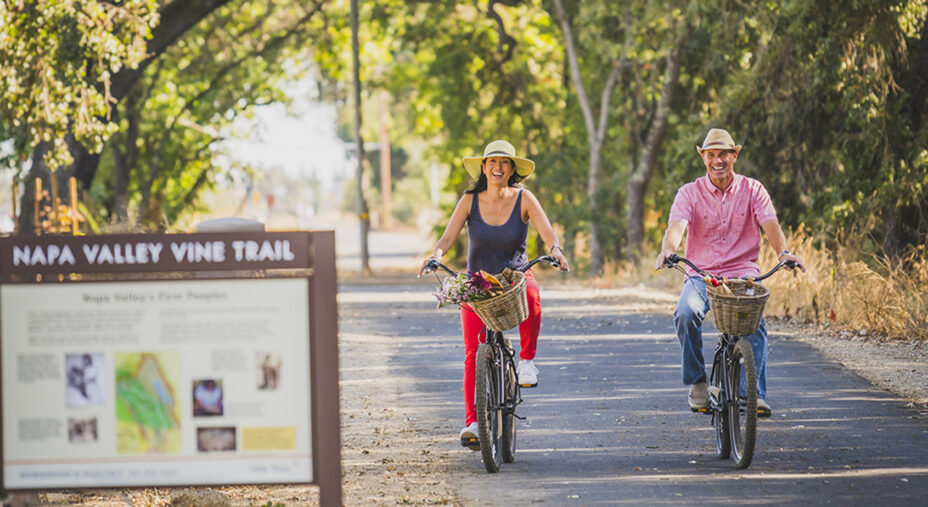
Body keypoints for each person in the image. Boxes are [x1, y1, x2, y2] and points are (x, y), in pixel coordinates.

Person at [418, 139, 569, 446]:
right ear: (483, 167)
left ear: (512, 169)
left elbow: (547, 231)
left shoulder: (524, 199)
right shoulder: (469, 201)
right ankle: (473, 423)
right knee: (473, 353)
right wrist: (436, 255)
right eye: (492, 162)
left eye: (504, 163)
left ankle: (526, 360)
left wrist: (555, 249)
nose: (498, 168)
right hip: (478, 284)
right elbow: (446, 238)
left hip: (513, 277)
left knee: (532, 294)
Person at [655, 128, 805, 414]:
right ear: (703, 158)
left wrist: (783, 252)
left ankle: (753, 395)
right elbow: (676, 226)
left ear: (734, 155)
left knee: (755, 323)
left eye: (723, 154)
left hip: (742, 272)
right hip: (701, 274)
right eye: (711, 155)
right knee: (685, 313)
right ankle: (697, 382)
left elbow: (770, 223)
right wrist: (668, 249)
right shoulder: (689, 192)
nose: (717, 160)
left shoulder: (753, 189)